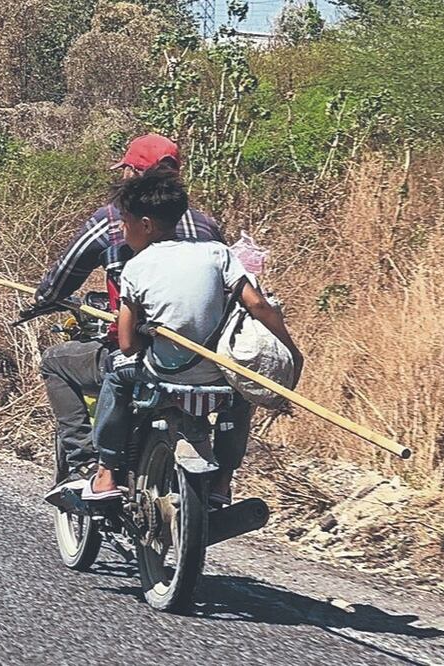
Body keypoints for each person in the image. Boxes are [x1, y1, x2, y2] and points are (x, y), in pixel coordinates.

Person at [33, 134, 249, 503]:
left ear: (133, 171)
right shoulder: (208, 230)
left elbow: (64, 278)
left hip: (145, 354)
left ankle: (89, 466)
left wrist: (45, 299)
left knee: (59, 364)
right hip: (206, 357)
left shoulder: (113, 222)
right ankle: (222, 482)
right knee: (240, 389)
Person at [82, 168, 303, 501]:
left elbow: (127, 344)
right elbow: (258, 305)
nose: (122, 230)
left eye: (125, 222)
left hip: (162, 370)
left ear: (145, 224)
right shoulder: (217, 253)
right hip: (218, 370)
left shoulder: (136, 267)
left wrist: (147, 336)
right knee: (241, 395)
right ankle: (223, 481)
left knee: (115, 376)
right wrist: (291, 350)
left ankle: (106, 472)